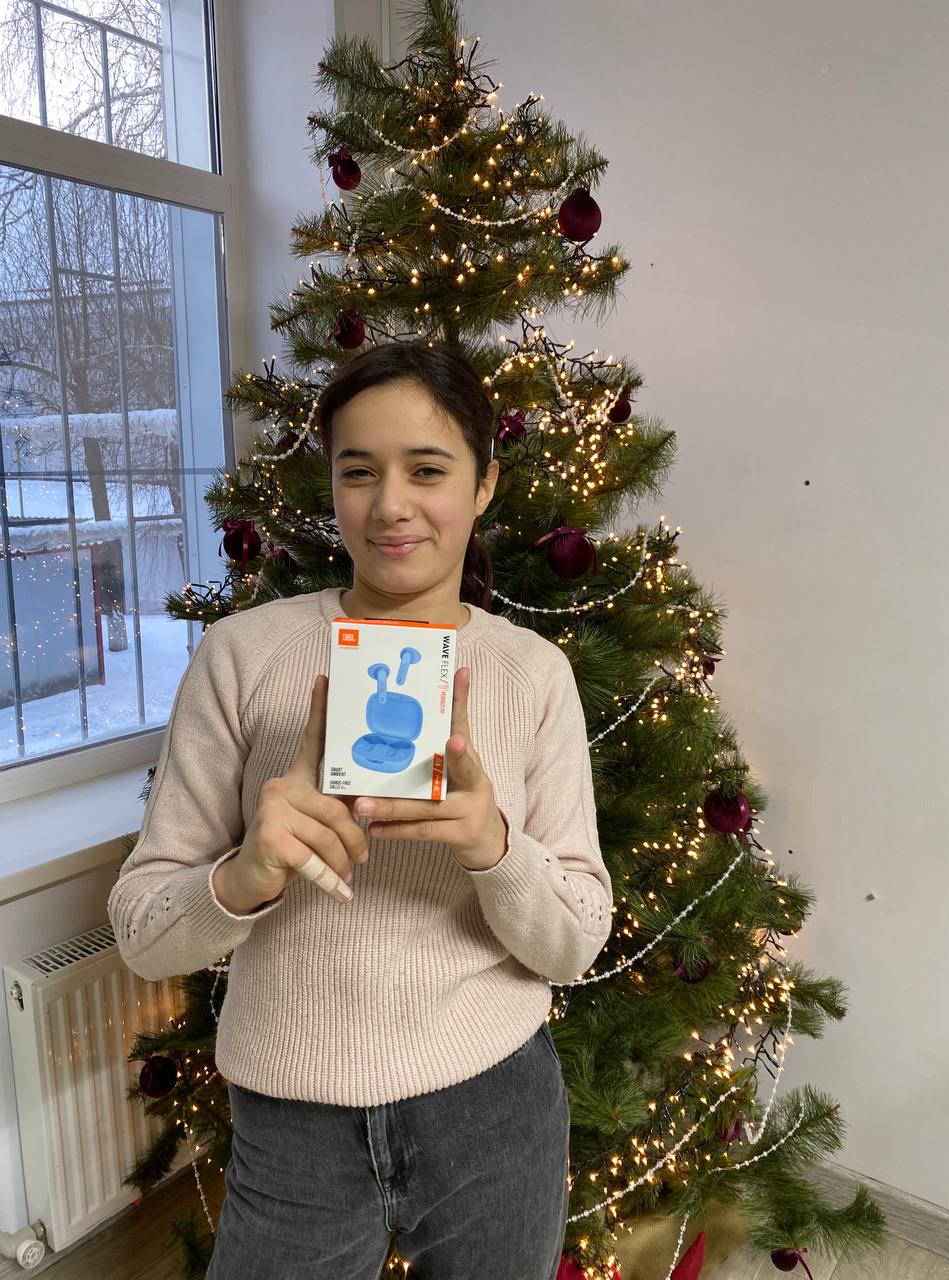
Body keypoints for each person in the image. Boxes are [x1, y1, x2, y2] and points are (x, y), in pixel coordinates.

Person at [107, 339, 614, 1279]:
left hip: (494, 1103)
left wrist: (497, 849)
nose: (390, 506)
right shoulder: (243, 656)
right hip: (293, 1118)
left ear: (485, 484)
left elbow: (576, 940)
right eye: (358, 471)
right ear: (332, 484)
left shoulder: (533, 674)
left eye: (428, 470)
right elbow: (142, 933)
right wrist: (245, 874)